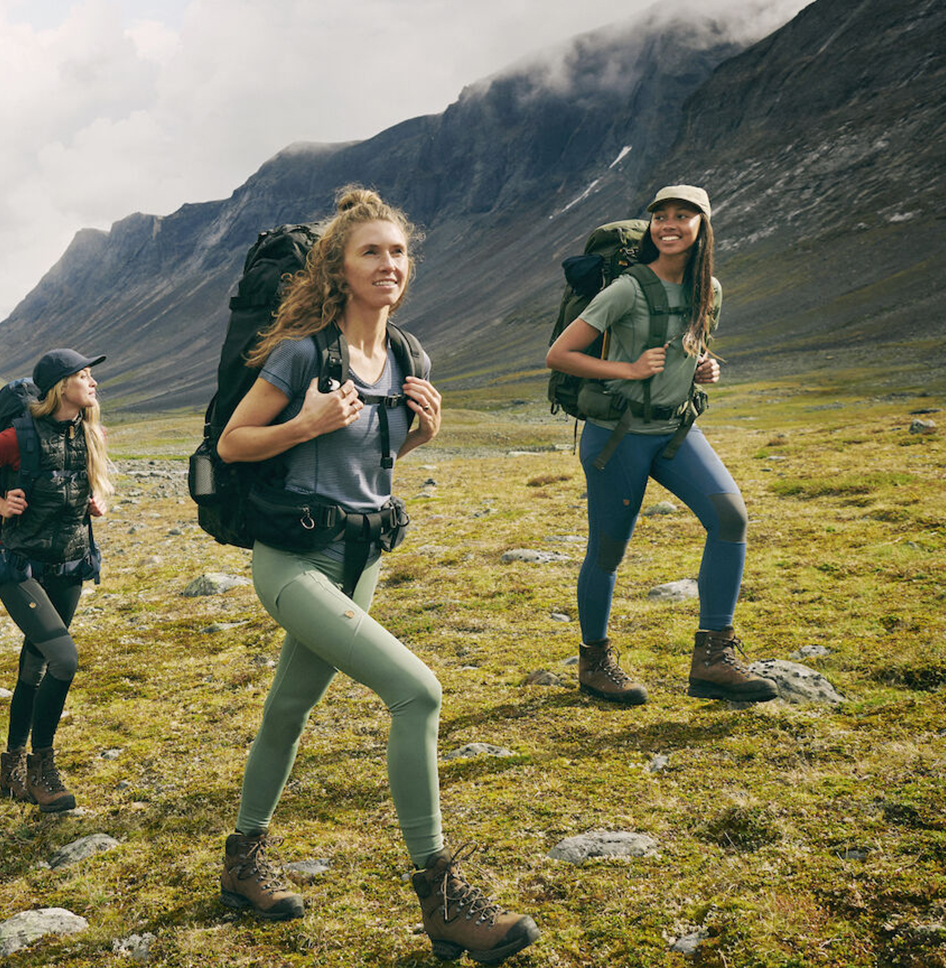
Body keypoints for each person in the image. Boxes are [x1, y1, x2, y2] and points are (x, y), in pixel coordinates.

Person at [214, 186, 540, 964]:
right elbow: (233, 444)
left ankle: (241, 861)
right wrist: (304, 422)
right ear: (340, 267)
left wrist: (423, 436)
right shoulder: (302, 353)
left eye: (398, 252)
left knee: (288, 710)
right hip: (293, 564)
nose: (388, 264)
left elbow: (368, 463)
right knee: (417, 691)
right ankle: (443, 897)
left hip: (361, 561)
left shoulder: (405, 356)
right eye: (371, 252)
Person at [545, 185, 777, 705]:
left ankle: (714, 660)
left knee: (730, 518)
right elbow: (559, 355)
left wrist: (704, 368)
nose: (668, 224)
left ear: (702, 227)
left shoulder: (709, 290)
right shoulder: (626, 288)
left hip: (675, 432)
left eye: (682, 216)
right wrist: (625, 369)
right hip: (618, 437)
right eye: (660, 216)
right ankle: (595, 662)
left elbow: (689, 346)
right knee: (607, 553)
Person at [0, 348, 113, 812]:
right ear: (60, 387)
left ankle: (13, 767)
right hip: (18, 565)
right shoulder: (16, 437)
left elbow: (93, 483)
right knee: (63, 658)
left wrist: (97, 501)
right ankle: (43, 769)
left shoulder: (92, 432)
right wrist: (1, 505)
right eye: (84, 376)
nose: (93, 383)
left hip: (69, 562)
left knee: (37, 663)